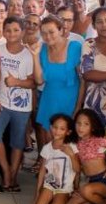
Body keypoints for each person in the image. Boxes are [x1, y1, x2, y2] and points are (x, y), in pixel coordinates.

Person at [0, 17, 41, 193]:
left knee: (17, 142)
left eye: (16, 30)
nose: (12, 34)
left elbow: (34, 83)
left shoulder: (29, 54)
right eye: (8, 30)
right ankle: (6, 170)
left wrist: (16, 82)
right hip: (1, 103)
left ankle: (12, 178)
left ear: (23, 31)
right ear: (3, 32)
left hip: (21, 106)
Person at [35, 15, 83, 144]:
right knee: (49, 142)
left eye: (51, 32)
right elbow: (39, 81)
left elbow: (83, 80)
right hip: (49, 100)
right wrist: (35, 56)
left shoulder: (75, 47)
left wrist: (78, 106)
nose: (47, 36)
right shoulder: (42, 50)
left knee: (68, 142)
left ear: (61, 30)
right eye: (43, 33)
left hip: (70, 101)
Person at [34, 114, 79, 204]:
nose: (57, 131)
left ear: (68, 132)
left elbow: (77, 169)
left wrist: (71, 155)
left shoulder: (72, 146)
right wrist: (37, 193)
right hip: (49, 185)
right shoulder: (47, 148)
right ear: (51, 127)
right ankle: (50, 199)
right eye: (55, 127)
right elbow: (42, 171)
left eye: (62, 129)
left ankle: (63, 198)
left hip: (64, 188)